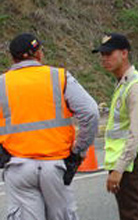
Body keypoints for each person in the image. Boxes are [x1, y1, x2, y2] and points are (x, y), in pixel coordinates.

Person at [1, 33, 99, 220]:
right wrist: (78, 150)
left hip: (18, 166)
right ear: (38, 55)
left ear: (12, 58)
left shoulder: (1, 84)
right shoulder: (59, 77)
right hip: (55, 167)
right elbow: (91, 113)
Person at [94, 33, 138, 220]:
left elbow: (137, 132)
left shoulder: (135, 87)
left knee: (133, 214)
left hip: (131, 162)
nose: (104, 59)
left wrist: (119, 169)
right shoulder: (123, 83)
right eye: (102, 54)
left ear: (124, 53)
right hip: (129, 161)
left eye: (109, 54)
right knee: (134, 212)